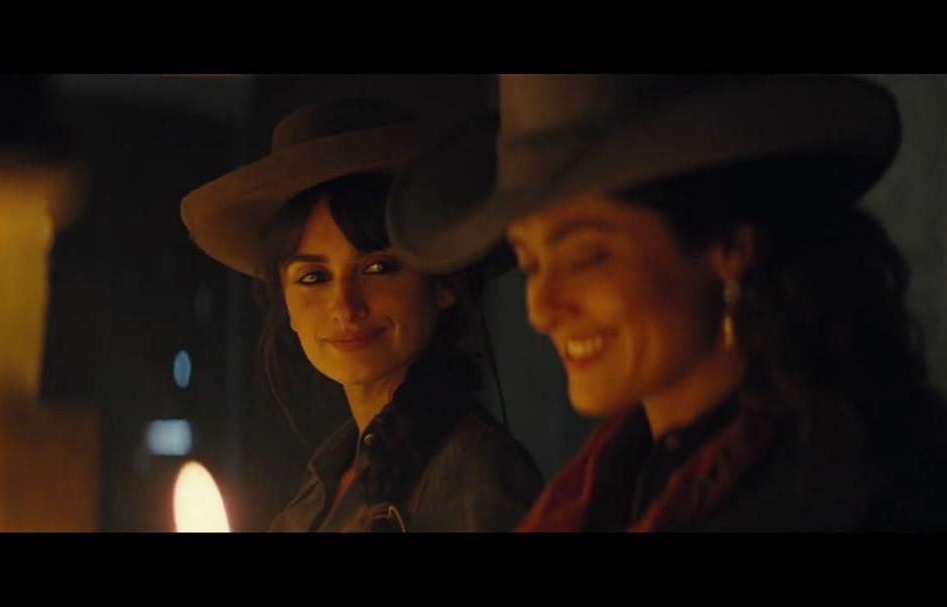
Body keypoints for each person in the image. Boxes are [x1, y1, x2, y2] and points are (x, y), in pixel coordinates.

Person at [386, 75, 947, 531]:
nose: (541, 309)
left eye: (585, 257)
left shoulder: (850, 495)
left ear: (730, 246)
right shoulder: (614, 478)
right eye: (530, 264)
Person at [181, 97, 542, 531]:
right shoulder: (329, 478)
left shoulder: (471, 473)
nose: (344, 306)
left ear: (444, 283)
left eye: (377, 268)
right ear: (285, 304)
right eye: (313, 277)